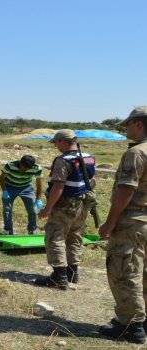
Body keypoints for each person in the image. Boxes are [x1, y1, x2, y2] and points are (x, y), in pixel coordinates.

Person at [98, 106, 147, 344]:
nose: (126, 128)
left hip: (134, 222)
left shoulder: (137, 153)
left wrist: (109, 222)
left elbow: (126, 190)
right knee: (144, 273)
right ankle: (141, 320)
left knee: (124, 271)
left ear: (138, 124)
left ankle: (132, 325)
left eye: (128, 124)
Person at [34, 129, 95, 289]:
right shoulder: (88, 157)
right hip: (83, 203)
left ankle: (59, 276)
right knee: (75, 236)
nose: (56, 146)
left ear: (62, 141)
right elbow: (90, 180)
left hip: (66, 204)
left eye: (56, 143)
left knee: (55, 236)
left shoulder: (63, 160)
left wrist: (48, 208)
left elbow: (58, 186)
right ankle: (72, 274)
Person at [0, 155, 44, 235]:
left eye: (27, 168)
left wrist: (38, 199)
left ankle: (32, 230)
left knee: (33, 210)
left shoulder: (37, 168)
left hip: (26, 188)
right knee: (7, 209)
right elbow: (2, 178)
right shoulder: (10, 165)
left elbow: (39, 184)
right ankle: (8, 230)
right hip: (10, 187)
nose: (24, 170)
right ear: (20, 163)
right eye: (23, 167)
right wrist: (4, 191)